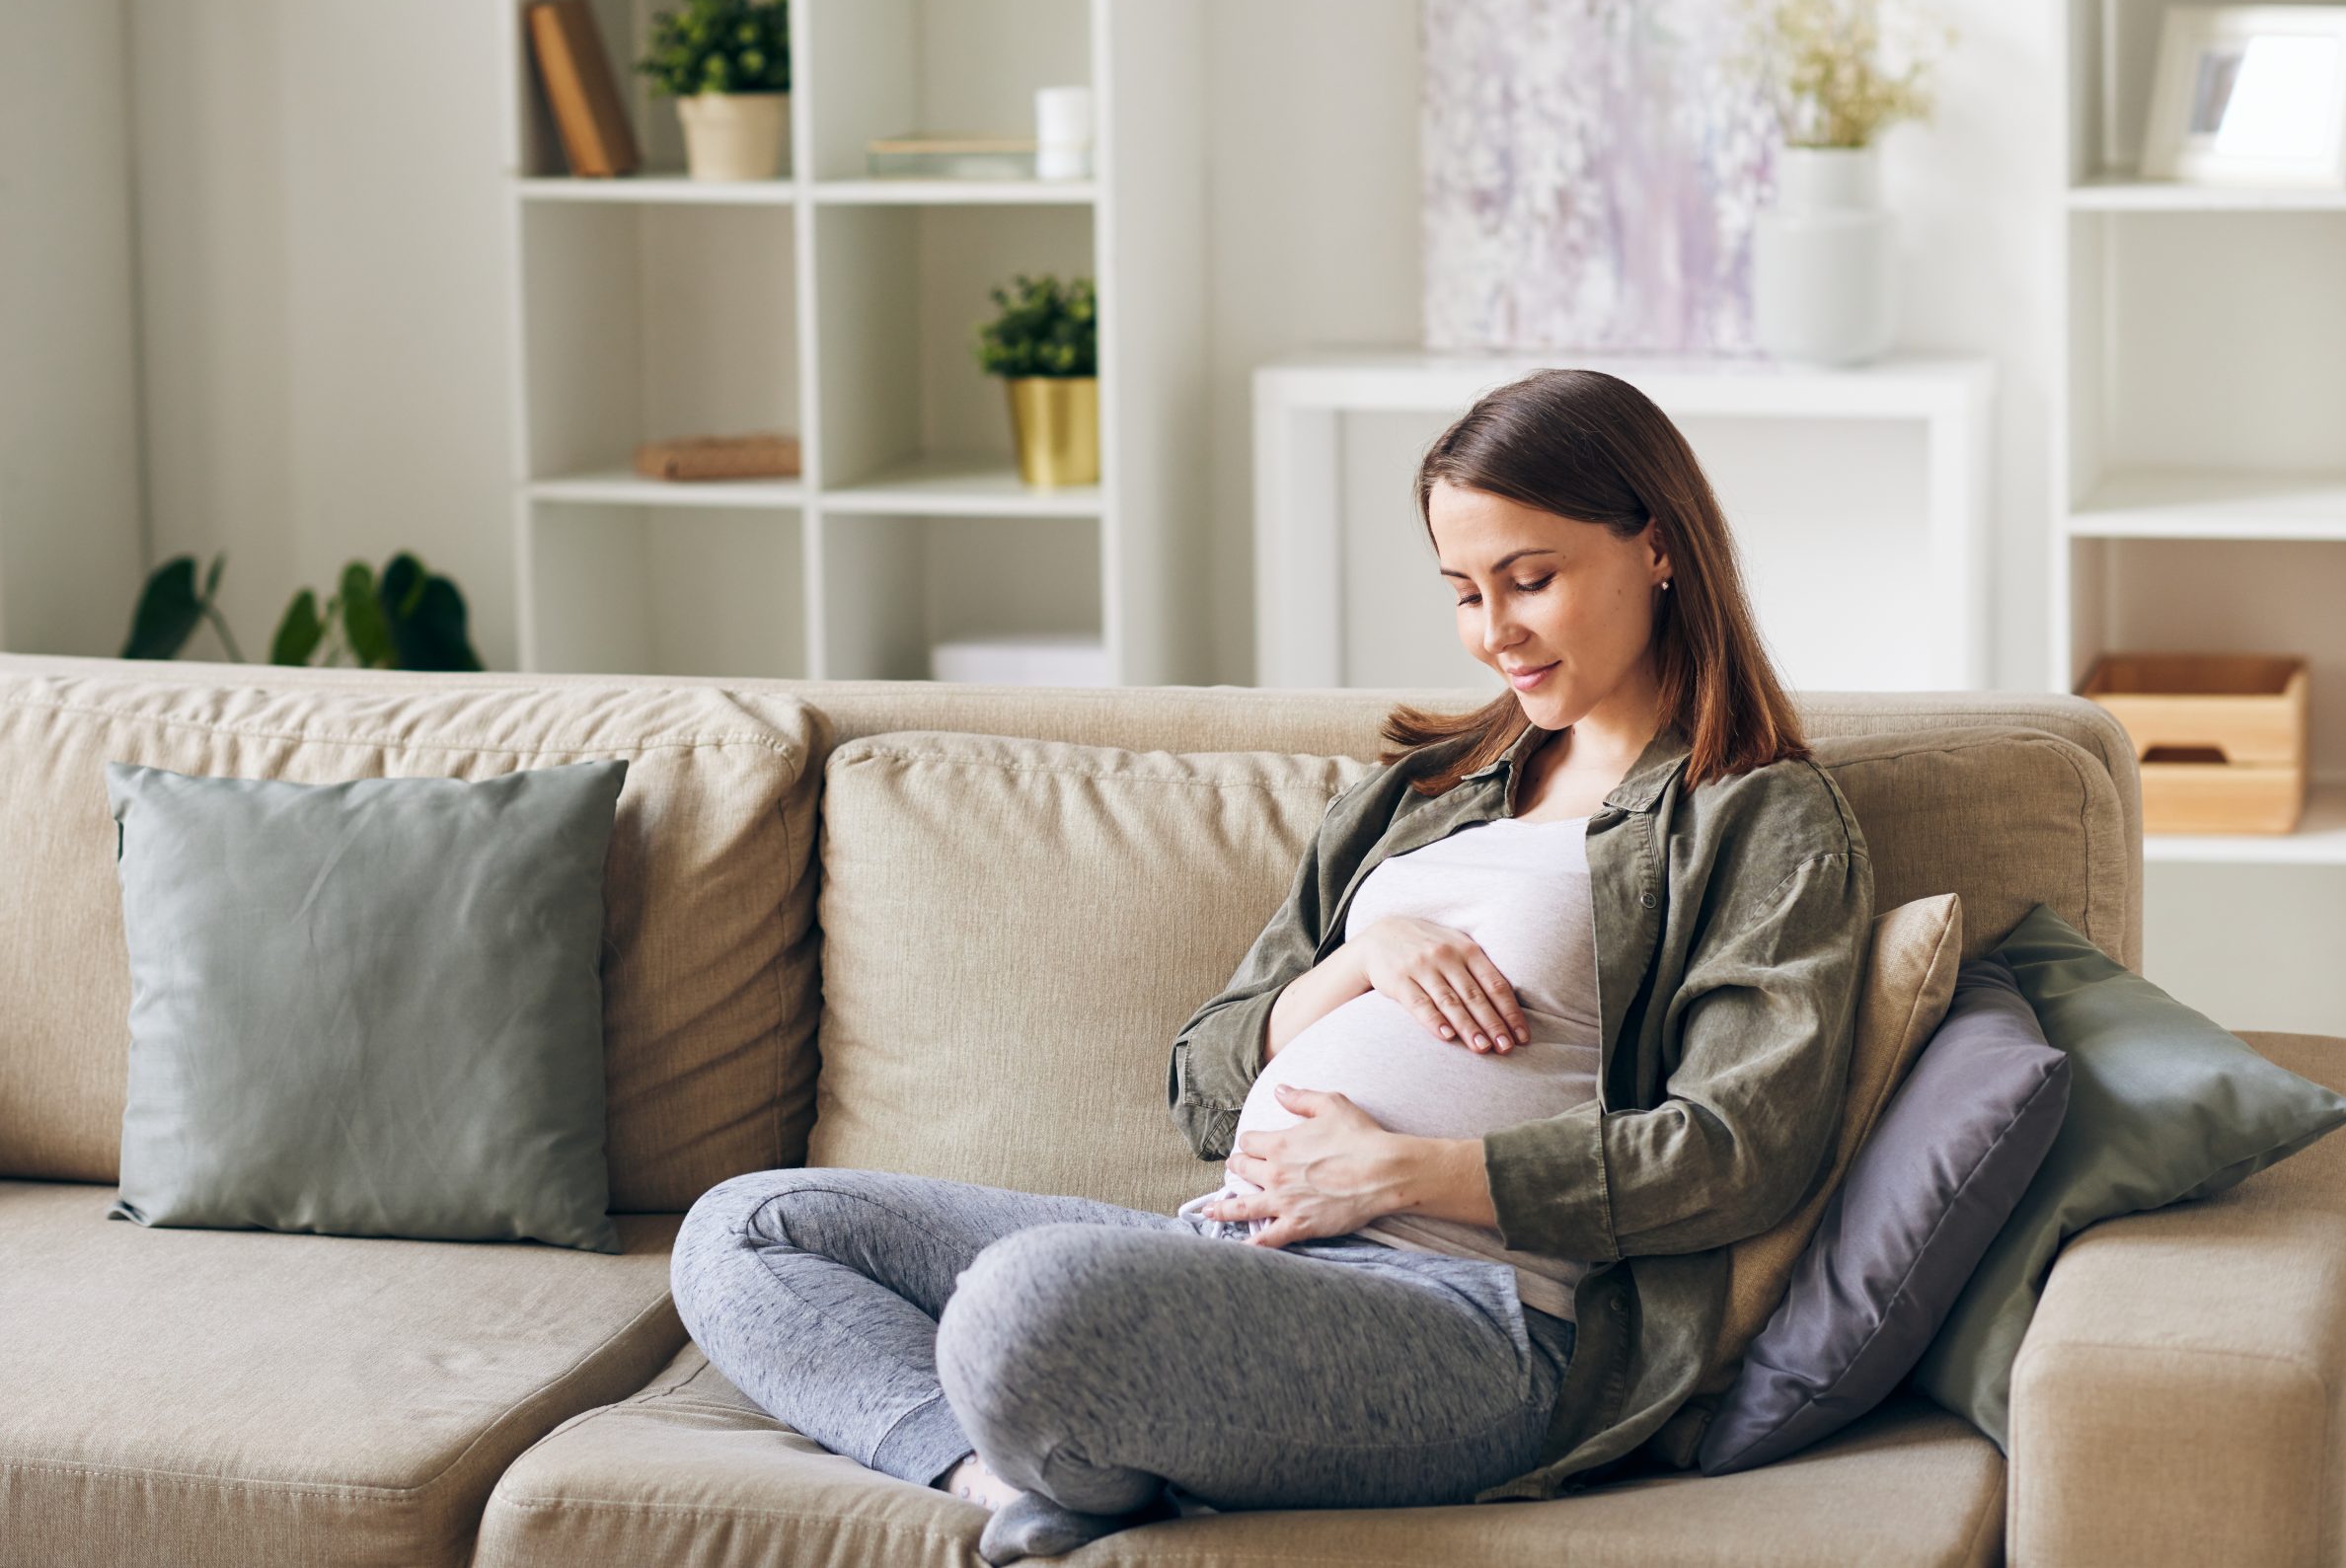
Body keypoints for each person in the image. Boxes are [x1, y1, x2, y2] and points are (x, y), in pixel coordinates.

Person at [669, 367, 1875, 1562]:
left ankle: (1066, 1431)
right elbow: (1203, 1070)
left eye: (1531, 579)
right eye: (1463, 591)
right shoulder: (1422, 795)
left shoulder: (1755, 814)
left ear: (1655, 545)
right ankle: (995, 1477)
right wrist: (1359, 953)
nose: (1492, 631)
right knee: (747, 1224)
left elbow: (1735, 1152)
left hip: (1470, 1319)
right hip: (1234, 1251)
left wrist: (1404, 1172)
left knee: (1026, 1303)